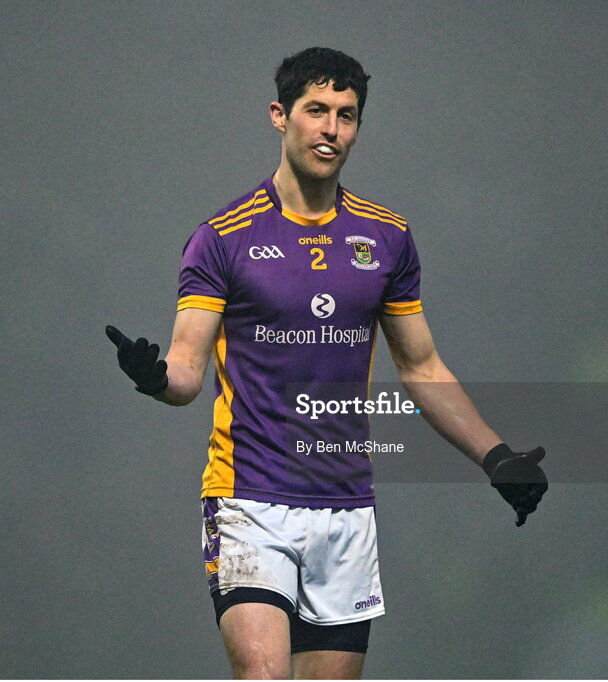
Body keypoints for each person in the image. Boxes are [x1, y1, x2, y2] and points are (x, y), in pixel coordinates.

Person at [106, 47, 548, 679]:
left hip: (345, 507)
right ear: (280, 116)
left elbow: (421, 367)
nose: (331, 129)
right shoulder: (223, 237)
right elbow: (186, 371)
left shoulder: (387, 237)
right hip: (248, 500)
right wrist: (155, 379)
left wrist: (496, 456)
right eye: (316, 110)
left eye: (346, 115)